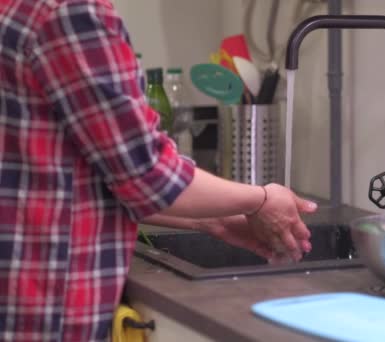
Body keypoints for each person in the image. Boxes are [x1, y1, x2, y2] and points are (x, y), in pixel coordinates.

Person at [0, 0, 316, 340]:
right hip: (41, 304)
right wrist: (261, 199)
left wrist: (209, 219)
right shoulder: (69, 11)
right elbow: (147, 175)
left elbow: (81, 168)